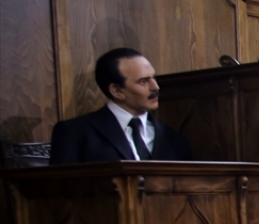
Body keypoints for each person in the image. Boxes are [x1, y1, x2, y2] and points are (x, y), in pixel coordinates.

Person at [49, 48, 192, 164]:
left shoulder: (173, 138)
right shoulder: (75, 133)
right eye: (143, 81)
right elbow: (61, 188)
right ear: (117, 91)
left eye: (153, 78)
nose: (156, 87)